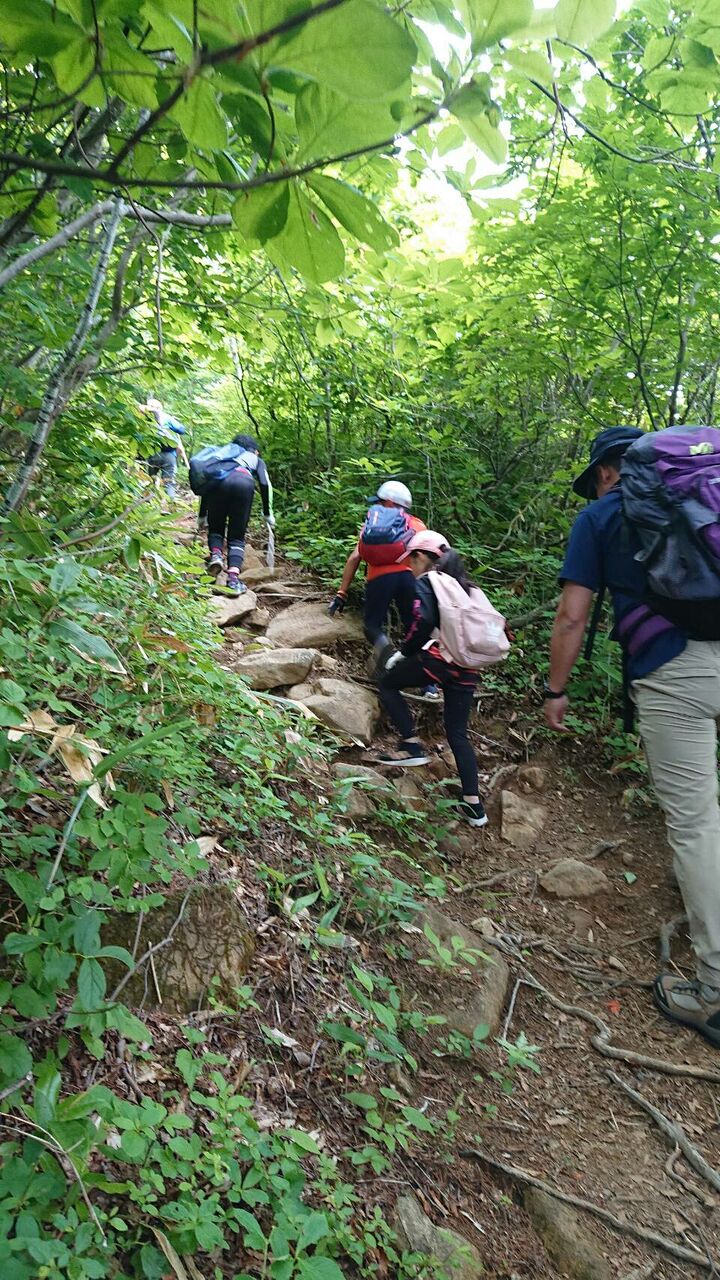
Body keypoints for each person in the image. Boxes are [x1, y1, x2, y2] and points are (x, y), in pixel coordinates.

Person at [544, 425, 720, 1049]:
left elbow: (573, 615)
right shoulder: (708, 494)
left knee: (698, 823)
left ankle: (714, 990)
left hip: (674, 671)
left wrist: (555, 690)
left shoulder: (602, 516)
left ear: (607, 471)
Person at [374, 530, 488, 828]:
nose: (410, 567)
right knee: (458, 733)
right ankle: (474, 805)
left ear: (423, 557)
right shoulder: (468, 587)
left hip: (440, 662)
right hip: (468, 667)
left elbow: (422, 622)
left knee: (386, 682)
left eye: (412, 560)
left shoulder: (430, 581)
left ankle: (411, 745)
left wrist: (404, 652)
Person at [328, 480, 440, 702]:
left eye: (380, 502)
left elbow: (354, 558)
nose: (377, 506)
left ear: (388, 502)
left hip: (378, 577)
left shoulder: (372, 523)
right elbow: (431, 559)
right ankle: (430, 686)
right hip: (410, 578)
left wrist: (341, 593)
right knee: (416, 629)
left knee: (372, 626)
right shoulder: (416, 524)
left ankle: (385, 648)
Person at [205, 433, 274, 596]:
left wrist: (202, 515)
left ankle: (216, 555)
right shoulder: (255, 459)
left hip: (218, 486)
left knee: (216, 529)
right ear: (255, 450)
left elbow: (207, 485)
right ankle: (233, 580)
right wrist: (267, 513)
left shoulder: (222, 456)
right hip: (243, 483)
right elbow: (265, 483)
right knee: (237, 537)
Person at [139, 397, 188, 499]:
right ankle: (168, 504)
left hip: (152, 453)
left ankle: (146, 503)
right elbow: (182, 430)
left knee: (150, 479)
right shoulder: (166, 417)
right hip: (169, 454)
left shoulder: (143, 418)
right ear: (159, 408)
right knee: (169, 481)